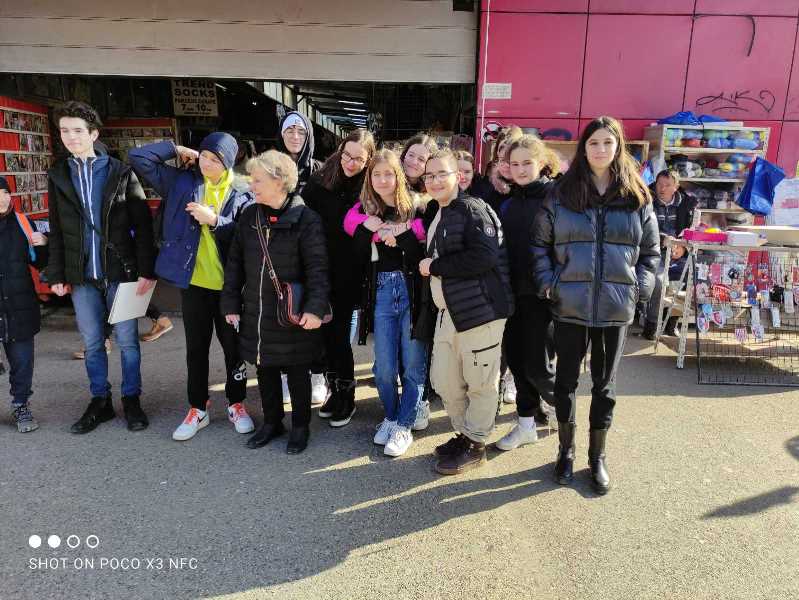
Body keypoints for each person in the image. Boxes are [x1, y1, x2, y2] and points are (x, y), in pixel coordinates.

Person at [532, 116, 660, 494]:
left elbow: (650, 253)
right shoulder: (561, 194)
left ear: (619, 146)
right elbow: (539, 245)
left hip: (615, 308)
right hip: (569, 305)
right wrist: (549, 284)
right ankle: (566, 450)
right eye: (593, 143)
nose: (601, 149)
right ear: (583, 148)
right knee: (566, 381)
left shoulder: (637, 196)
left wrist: (639, 290)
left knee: (605, 386)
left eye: (608, 142)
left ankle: (597, 456)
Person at [128, 133, 255, 441]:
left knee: (233, 349)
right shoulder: (182, 181)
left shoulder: (243, 191)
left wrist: (215, 220)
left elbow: (247, 237)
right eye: (204, 156)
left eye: (215, 159)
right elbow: (138, 158)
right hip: (194, 284)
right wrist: (176, 148)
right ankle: (198, 408)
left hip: (229, 288)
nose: (206, 163)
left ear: (228, 162)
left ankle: (236, 403)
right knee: (196, 349)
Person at [47, 101, 156, 434]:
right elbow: (57, 228)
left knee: (128, 341)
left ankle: (132, 398)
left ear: (93, 134)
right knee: (93, 343)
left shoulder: (120, 172)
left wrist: (146, 271)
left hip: (121, 272)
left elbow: (143, 225)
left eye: (78, 130)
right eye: (64, 131)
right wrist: (57, 273)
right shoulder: (58, 174)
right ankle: (100, 401)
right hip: (82, 276)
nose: (71, 137)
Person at [221, 150, 329, 454]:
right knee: (264, 368)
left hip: (292, 312)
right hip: (257, 310)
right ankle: (272, 422)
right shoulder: (250, 216)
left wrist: (315, 309)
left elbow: (318, 269)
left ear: (279, 181)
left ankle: (300, 426)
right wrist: (230, 303)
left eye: (257, 180)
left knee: (297, 371)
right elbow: (234, 264)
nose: (251, 185)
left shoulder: (306, 219)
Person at [418, 148, 513, 475]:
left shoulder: (473, 209)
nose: (434, 181)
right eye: (429, 176)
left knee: (480, 383)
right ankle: (465, 434)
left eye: (441, 174)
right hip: (450, 313)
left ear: (458, 176)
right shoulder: (440, 212)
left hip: (480, 312)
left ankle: (475, 444)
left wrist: (435, 266)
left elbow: (484, 256)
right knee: (444, 380)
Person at [343, 149, 427, 457]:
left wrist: (402, 235)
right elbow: (355, 254)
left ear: (398, 176)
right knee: (383, 369)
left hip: (412, 292)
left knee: (413, 366)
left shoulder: (416, 207)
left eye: (388, 174)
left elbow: (423, 251)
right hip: (380, 292)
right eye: (376, 174)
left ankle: (404, 424)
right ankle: (390, 417)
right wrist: (369, 228)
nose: (382, 180)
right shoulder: (364, 209)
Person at [303, 129, 376, 427]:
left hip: (350, 272)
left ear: (369, 159)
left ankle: (347, 395)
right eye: (347, 154)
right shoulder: (321, 179)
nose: (350, 162)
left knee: (339, 336)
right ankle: (334, 390)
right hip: (319, 268)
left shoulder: (370, 186)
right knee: (323, 335)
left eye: (358, 158)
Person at [495, 135, 560, 452]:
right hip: (512, 296)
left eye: (527, 163)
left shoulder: (555, 198)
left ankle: (565, 413)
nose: (520, 169)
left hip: (542, 297)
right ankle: (525, 426)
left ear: (542, 163)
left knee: (538, 366)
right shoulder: (508, 202)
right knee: (517, 363)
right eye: (515, 164)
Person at [275, 110, 327, 405]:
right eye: (289, 130)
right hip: (280, 254)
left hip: (312, 253)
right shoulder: (271, 166)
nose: (295, 136)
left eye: (301, 131)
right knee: (283, 314)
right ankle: (286, 375)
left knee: (312, 312)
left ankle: (317, 374)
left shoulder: (320, 171)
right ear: (281, 135)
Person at [0, 176, 48, 432]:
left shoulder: (22, 222)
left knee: (22, 361)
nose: (1, 198)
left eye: (4, 192)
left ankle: (21, 404)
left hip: (20, 304)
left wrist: (44, 244)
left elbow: (39, 262)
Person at [642, 169, 697, 340]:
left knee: (691, 278)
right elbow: (641, 229)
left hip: (678, 252)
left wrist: (683, 248)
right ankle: (652, 325)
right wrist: (662, 239)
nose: (662, 188)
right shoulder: (646, 201)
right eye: (660, 184)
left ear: (676, 187)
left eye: (667, 185)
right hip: (653, 251)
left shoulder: (687, 204)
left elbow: (693, 230)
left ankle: (672, 323)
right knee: (659, 282)